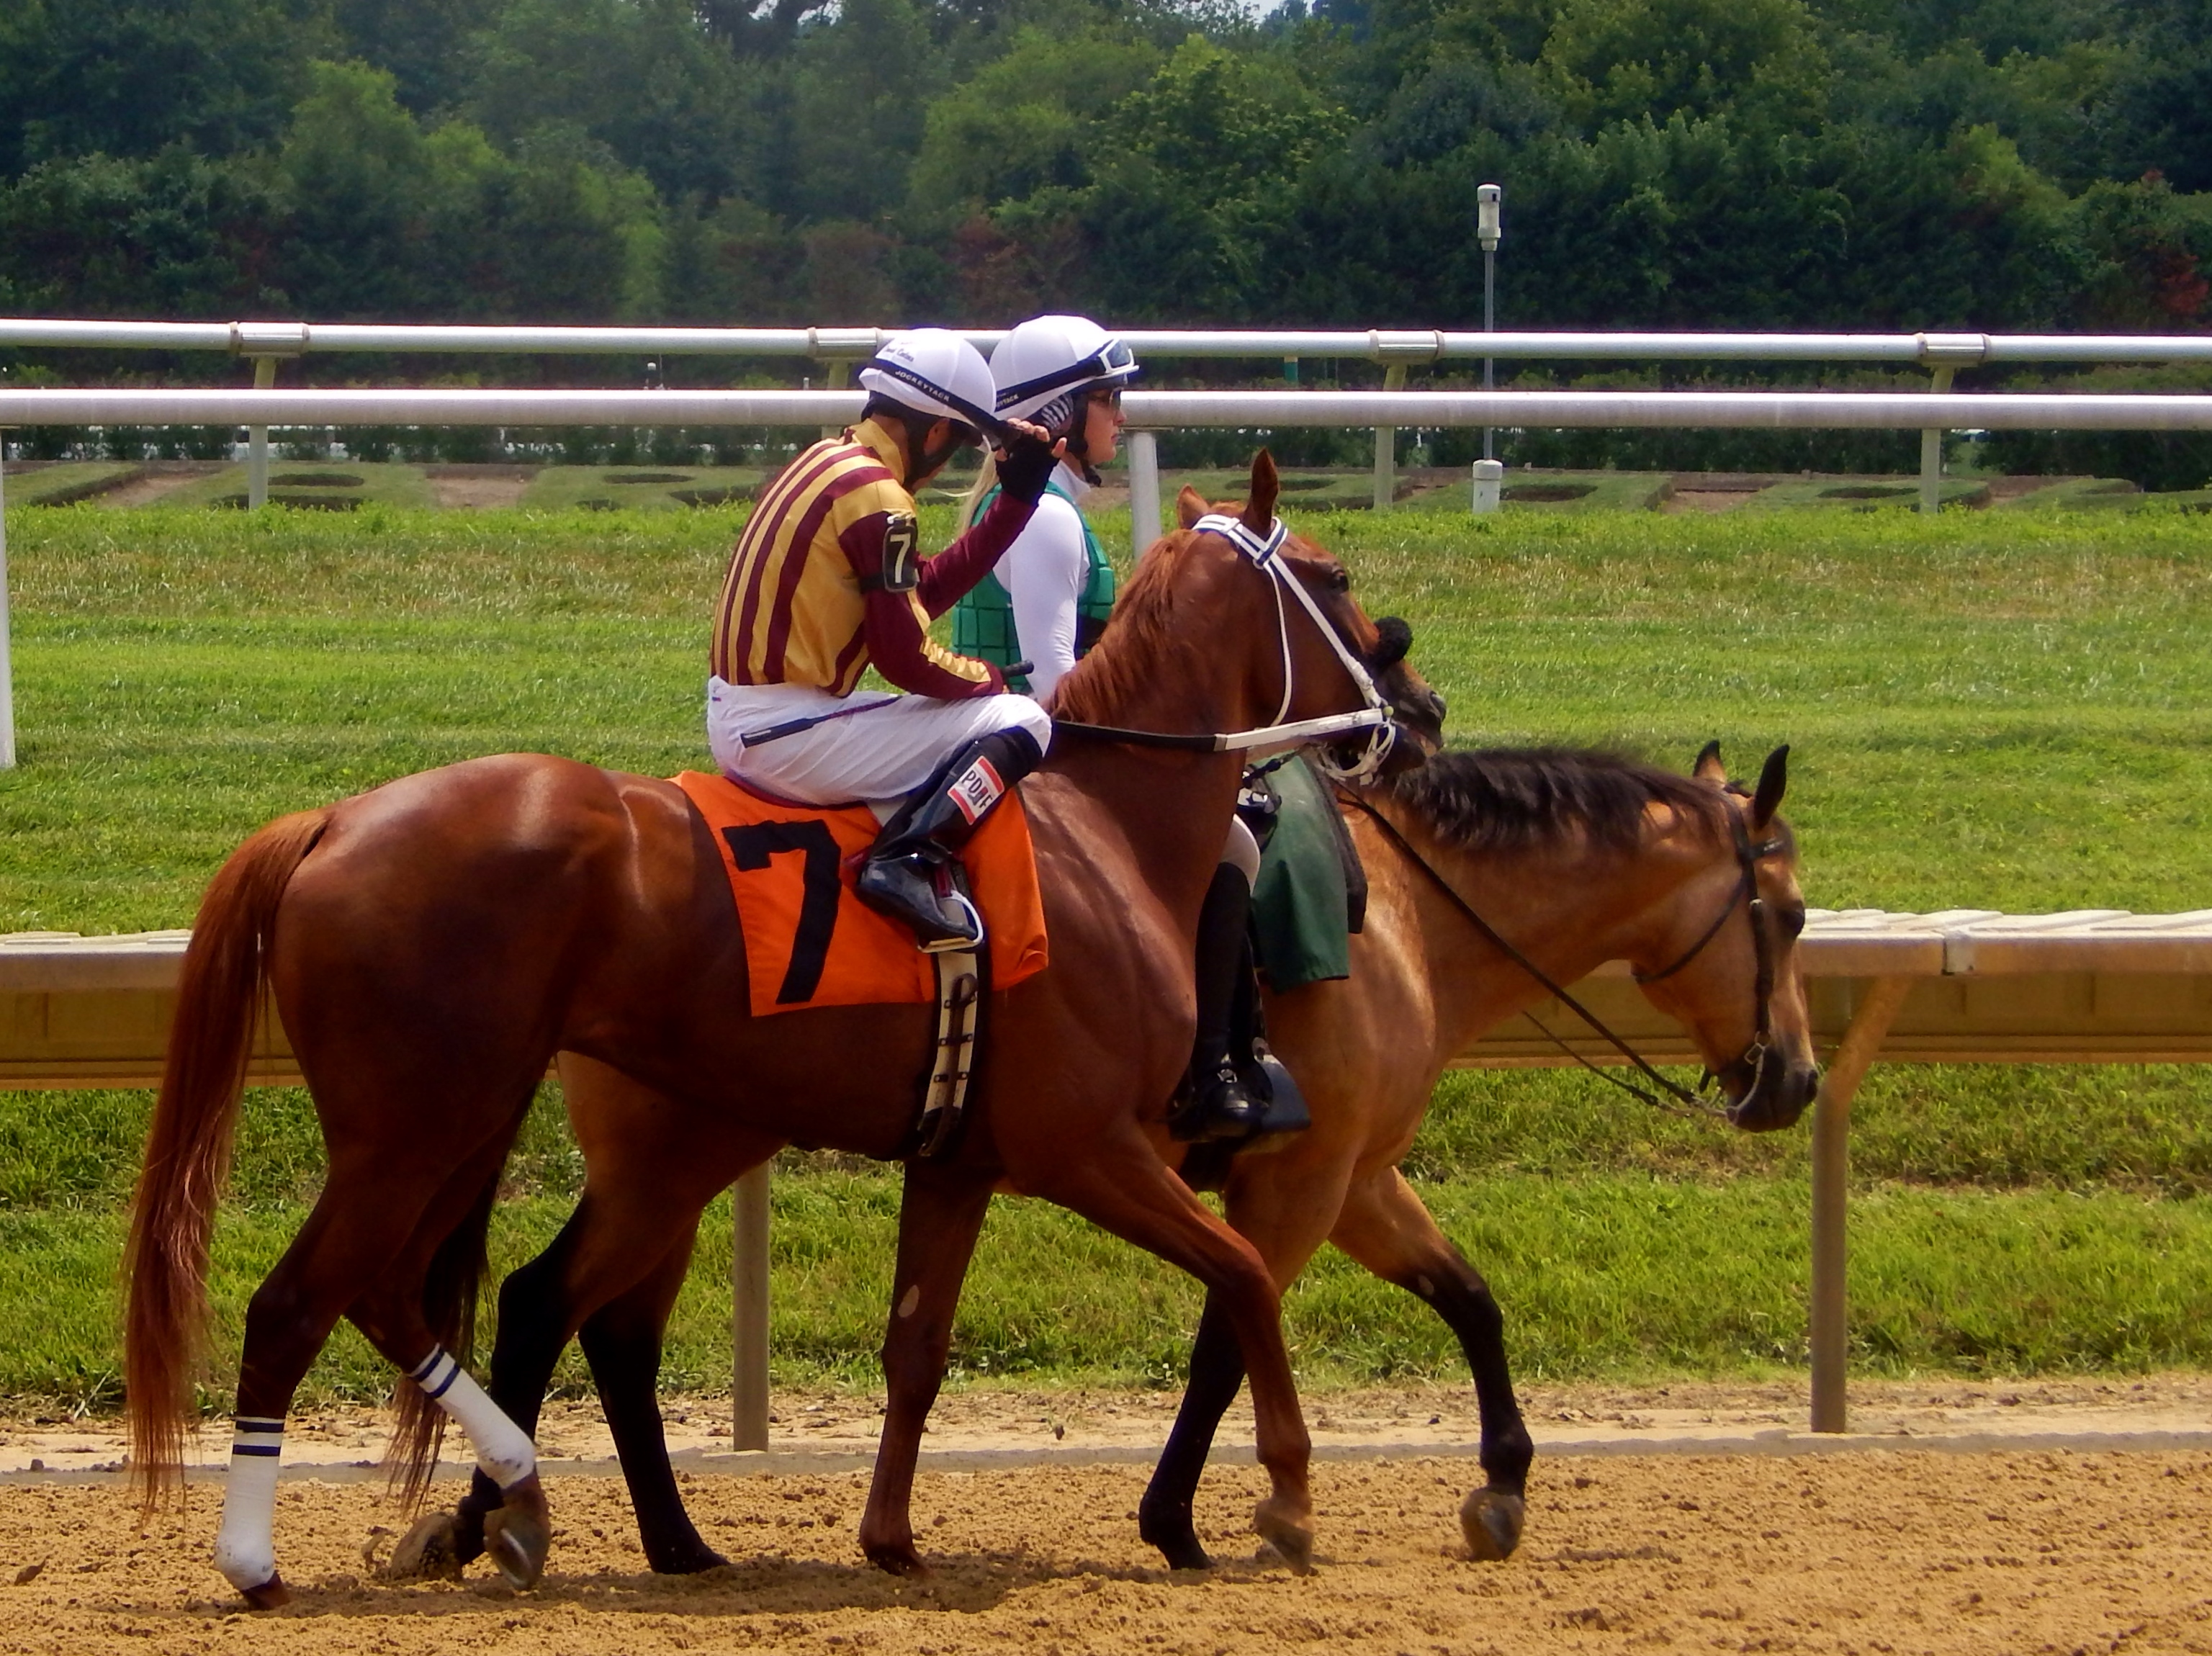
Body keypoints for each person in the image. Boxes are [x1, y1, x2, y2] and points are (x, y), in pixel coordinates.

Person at [949, 316, 1275, 1142]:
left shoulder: (1025, 504)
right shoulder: (1048, 518)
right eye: (1107, 399)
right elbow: (1056, 685)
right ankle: (1211, 1067)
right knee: (1234, 842)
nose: (1120, 417)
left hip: (1002, 730)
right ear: (1060, 412)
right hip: (1032, 746)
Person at [706, 328, 1063, 950]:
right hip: (785, 732)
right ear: (935, 432)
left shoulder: (827, 461)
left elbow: (916, 597)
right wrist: (988, 679)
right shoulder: (879, 495)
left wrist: (1014, 502)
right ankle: (906, 861)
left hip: (751, 716)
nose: (946, 463)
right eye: (956, 446)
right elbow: (904, 658)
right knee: (1024, 720)